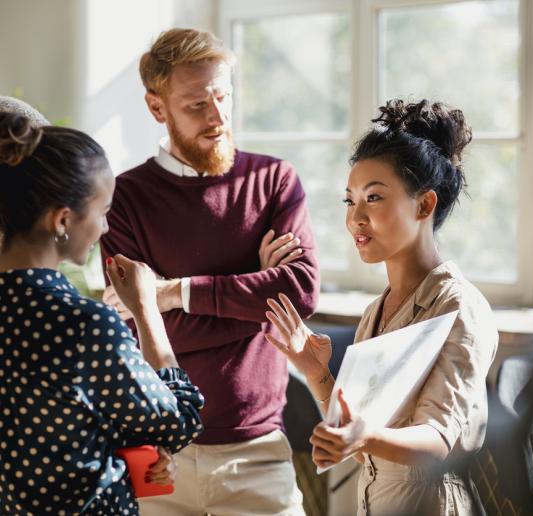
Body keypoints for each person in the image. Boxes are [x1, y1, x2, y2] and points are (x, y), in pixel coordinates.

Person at [100, 28, 319, 515]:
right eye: (197, 105)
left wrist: (171, 293)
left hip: (258, 453)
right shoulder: (123, 199)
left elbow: (298, 294)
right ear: (158, 108)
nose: (218, 117)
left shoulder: (274, 181)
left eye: (224, 97)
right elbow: (138, 331)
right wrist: (255, 302)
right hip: (159, 457)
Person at [265, 99, 498, 515]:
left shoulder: (458, 307)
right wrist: (317, 374)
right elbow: (358, 444)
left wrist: (364, 437)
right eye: (349, 201)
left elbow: (437, 441)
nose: (356, 217)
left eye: (373, 198)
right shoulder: (377, 311)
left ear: (425, 205)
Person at [0, 112, 205, 515]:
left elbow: (46, 429)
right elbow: (178, 420)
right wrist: (146, 310)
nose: (106, 227)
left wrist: (125, 448)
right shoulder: (83, 324)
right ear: (63, 219)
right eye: (103, 210)